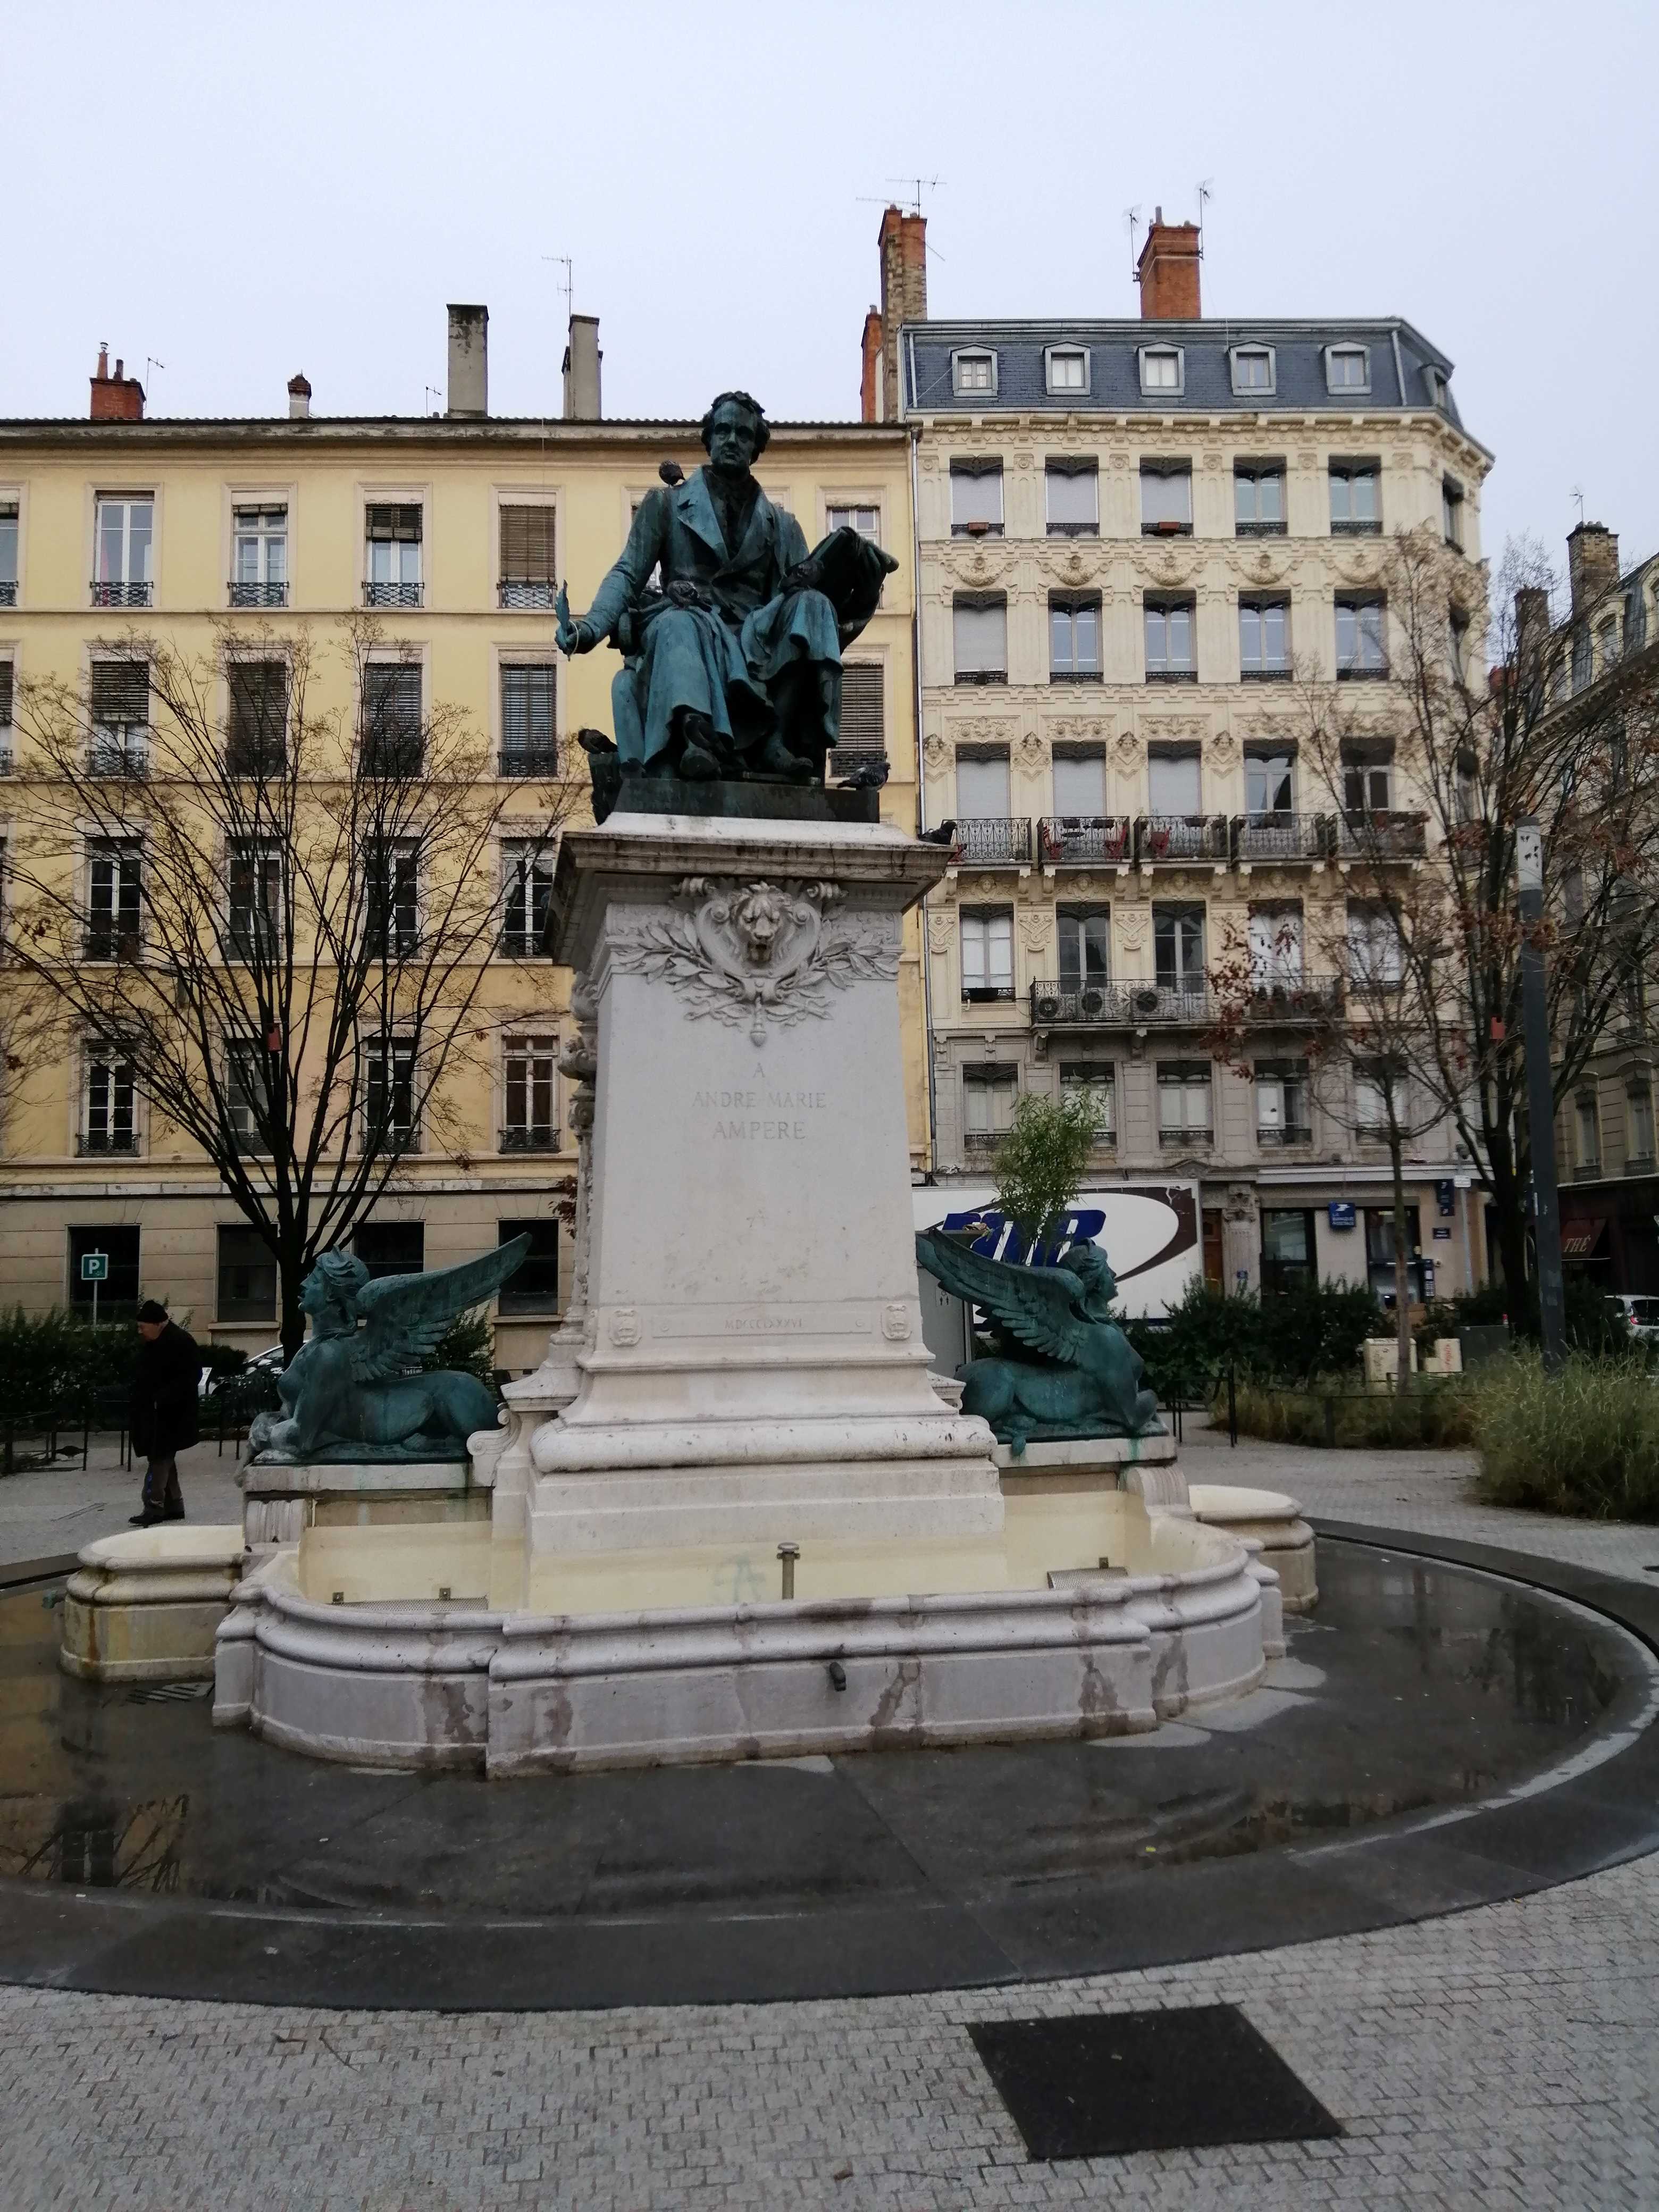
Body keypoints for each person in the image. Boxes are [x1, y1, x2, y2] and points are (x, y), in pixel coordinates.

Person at [556, 389, 897, 783]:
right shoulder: (665, 506)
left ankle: (776, 740)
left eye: (743, 434)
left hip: (757, 633)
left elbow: (809, 605)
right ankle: (696, 738)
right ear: (709, 439)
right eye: (723, 431)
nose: (732, 440)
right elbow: (627, 575)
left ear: (756, 448)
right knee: (679, 624)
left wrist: (864, 591)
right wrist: (589, 629)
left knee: (814, 604)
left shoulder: (782, 526)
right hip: (691, 620)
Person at [129, 1298, 200, 1526]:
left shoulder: (180, 1342)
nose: (140, 1331)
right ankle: (174, 1505)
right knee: (163, 1457)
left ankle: (154, 1506)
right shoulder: (159, 1342)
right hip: (158, 1411)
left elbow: (191, 1377)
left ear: (158, 1323)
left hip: (170, 1413)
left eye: (143, 1327)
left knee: (159, 1457)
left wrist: (164, 1398)